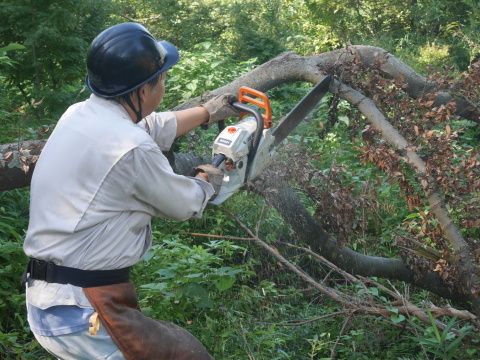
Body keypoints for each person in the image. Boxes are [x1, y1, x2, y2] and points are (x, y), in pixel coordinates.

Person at [22, 22, 239, 360]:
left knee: (182, 347)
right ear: (141, 91)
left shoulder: (80, 114)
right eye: (162, 78)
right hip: (79, 313)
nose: (164, 84)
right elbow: (184, 205)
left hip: (49, 299)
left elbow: (151, 125)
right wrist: (207, 176)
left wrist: (207, 112)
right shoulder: (131, 147)